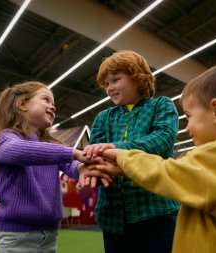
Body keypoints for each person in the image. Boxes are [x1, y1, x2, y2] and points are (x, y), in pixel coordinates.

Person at [91, 63, 216, 253]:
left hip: (155, 217)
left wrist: (122, 156)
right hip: (115, 218)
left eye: (189, 116)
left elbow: (168, 172)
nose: (187, 127)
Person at [0, 81, 110, 253]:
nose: (52, 107)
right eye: (46, 100)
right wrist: (74, 152)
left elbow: (70, 164)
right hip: (14, 240)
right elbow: (17, 151)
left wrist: (81, 168)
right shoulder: (7, 138)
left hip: (49, 239)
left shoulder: (48, 146)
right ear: (22, 104)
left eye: (53, 103)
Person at [83, 50, 180, 253]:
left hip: (156, 211)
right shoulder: (103, 117)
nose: (110, 88)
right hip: (113, 217)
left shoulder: (161, 105)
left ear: (138, 78)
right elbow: (96, 157)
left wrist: (116, 149)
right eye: (107, 84)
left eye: (116, 80)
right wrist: (93, 167)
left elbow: (161, 140)